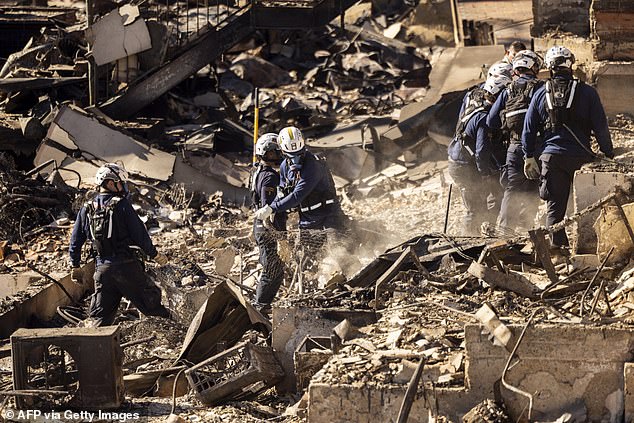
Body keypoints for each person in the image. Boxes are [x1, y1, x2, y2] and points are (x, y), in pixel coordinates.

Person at [522, 46, 613, 250]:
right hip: (582, 159)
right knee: (589, 206)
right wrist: (608, 152)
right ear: (570, 64)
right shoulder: (588, 92)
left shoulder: (539, 95)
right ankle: (590, 248)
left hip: (552, 159)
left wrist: (528, 156)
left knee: (555, 207)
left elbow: (528, 129)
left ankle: (558, 251)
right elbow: (600, 126)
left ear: (550, 67)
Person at [69, 163, 170, 326]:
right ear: (110, 183)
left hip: (103, 271)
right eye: (121, 183)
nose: (124, 187)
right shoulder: (122, 205)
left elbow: (75, 240)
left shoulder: (86, 208)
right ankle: (176, 338)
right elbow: (140, 234)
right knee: (153, 307)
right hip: (127, 268)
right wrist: (155, 255)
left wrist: (75, 265)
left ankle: (95, 348)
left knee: (99, 320)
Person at [254, 126, 346, 253]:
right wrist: (270, 206)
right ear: (283, 151)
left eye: (298, 154)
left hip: (329, 218)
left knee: (341, 254)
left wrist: (272, 208)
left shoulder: (313, 165)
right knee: (305, 261)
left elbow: (297, 195)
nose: (295, 159)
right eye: (291, 155)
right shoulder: (284, 167)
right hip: (307, 222)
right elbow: (282, 192)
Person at [448, 74, 511, 235]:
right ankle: (469, 240)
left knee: (485, 202)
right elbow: (481, 151)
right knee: (475, 208)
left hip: (460, 162)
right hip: (464, 167)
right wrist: (486, 175)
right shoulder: (484, 118)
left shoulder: (477, 104)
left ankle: (482, 234)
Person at [488, 50, 544, 230]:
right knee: (533, 187)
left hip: (514, 147)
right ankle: (527, 227)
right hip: (537, 146)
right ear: (533, 67)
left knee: (512, 189)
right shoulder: (541, 87)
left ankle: (505, 231)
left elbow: (491, 121)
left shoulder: (508, 90)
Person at [250, 133, 286, 311]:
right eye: (274, 153)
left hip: (261, 229)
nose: (278, 155)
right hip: (267, 230)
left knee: (273, 268)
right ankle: (261, 305)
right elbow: (267, 210)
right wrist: (279, 236)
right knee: (272, 269)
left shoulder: (258, 172)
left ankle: (262, 304)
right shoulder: (270, 176)